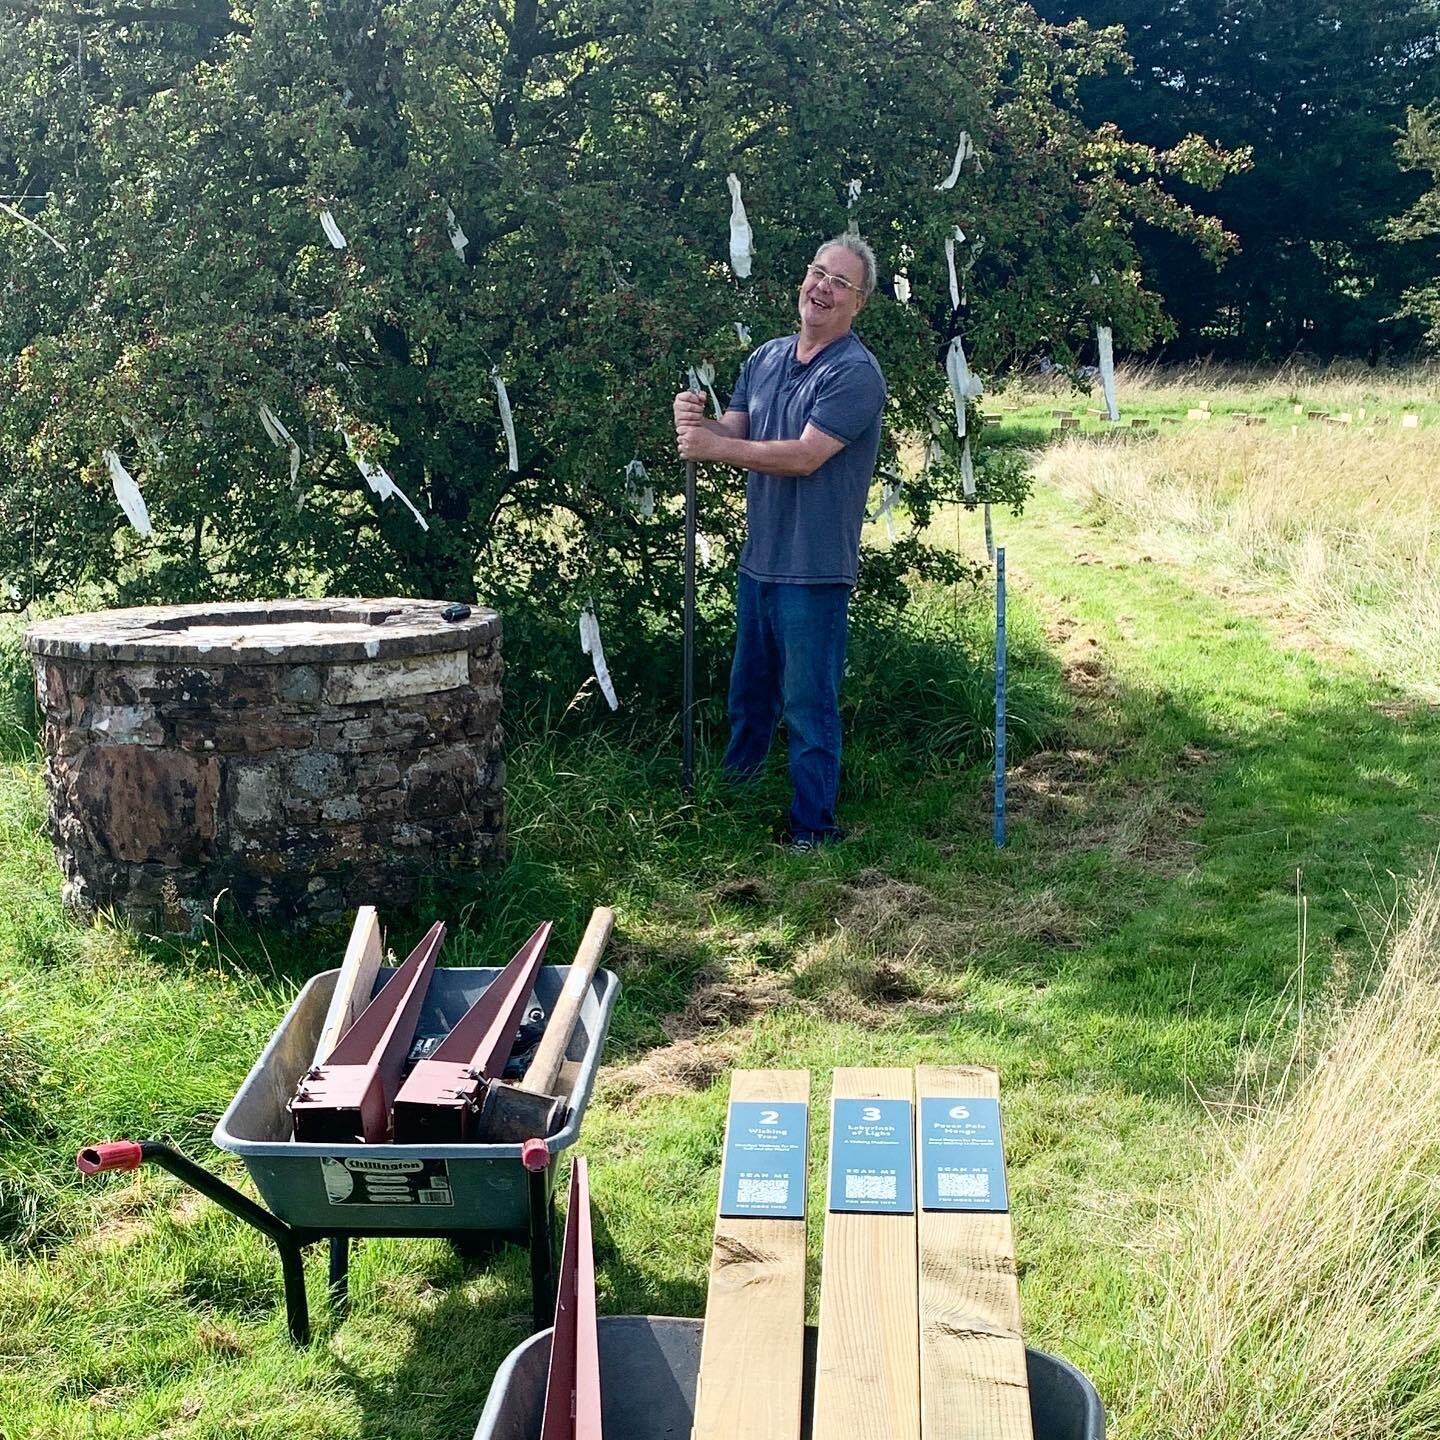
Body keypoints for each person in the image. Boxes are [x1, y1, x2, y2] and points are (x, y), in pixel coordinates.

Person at [673, 235, 887, 850]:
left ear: (858, 302)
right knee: (750, 697)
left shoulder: (854, 374)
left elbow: (804, 456)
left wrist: (714, 446)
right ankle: (735, 805)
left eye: (839, 282)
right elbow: (732, 432)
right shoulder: (765, 358)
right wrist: (695, 423)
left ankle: (813, 828)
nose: (822, 287)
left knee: (807, 705)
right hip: (759, 562)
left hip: (814, 569)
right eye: (818, 273)